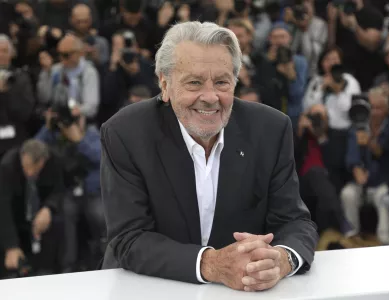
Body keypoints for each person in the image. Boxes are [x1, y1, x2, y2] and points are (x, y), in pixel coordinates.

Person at [100, 21, 318, 292]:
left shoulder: (271, 129)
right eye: (194, 83)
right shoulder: (125, 133)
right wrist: (211, 264)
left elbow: (294, 221)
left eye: (222, 82)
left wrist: (281, 261)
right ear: (165, 86)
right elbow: (128, 238)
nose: (210, 97)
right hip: (143, 287)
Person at [35, 105, 105, 272]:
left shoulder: (93, 133)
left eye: (76, 118)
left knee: (98, 216)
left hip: (94, 192)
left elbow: (100, 157)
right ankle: (68, 266)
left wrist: (79, 140)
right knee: (67, 214)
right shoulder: (56, 137)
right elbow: (33, 149)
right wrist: (48, 127)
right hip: (69, 191)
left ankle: (103, 259)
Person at [341, 88, 389, 245]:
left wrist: (371, 144)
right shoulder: (358, 125)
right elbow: (351, 155)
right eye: (371, 107)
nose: (374, 112)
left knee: (384, 198)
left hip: (384, 182)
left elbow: (388, 152)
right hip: (361, 182)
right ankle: (351, 238)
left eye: (379, 108)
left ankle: (386, 241)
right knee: (348, 194)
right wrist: (355, 167)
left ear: (386, 110)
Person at [0, 139, 64, 278]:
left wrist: (49, 208)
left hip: (42, 211)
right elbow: (3, 207)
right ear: (22, 156)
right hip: (16, 214)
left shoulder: (54, 161)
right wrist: (11, 246)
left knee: (60, 221)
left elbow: (59, 190)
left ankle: (51, 270)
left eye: (34, 167)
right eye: (26, 166)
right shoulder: (7, 166)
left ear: (43, 161)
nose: (29, 172)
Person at [295, 104, 350, 234]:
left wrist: (321, 137)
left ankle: (327, 234)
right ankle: (343, 226)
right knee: (315, 173)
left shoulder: (335, 136)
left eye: (320, 117)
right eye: (313, 116)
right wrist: (299, 132)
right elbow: (289, 161)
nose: (316, 120)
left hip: (328, 182)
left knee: (319, 181)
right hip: (302, 184)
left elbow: (337, 163)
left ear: (327, 119)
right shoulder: (298, 136)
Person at [37, 34, 100, 122]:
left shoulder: (89, 72)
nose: (62, 59)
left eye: (66, 55)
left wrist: (76, 111)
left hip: (82, 122)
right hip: (56, 120)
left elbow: (92, 107)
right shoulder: (55, 70)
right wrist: (46, 72)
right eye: (60, 54)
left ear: (79, 53)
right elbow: (44, 98)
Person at [327, 0, 384, 91]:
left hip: (365, 69)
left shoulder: (372, 14)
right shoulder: (339, 11)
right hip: (342, 68)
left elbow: (371, 45)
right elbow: (330, 46)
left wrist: (354, 27)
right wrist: (332, 21)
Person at [302, 46, 361, 130]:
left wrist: (337, 90)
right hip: (319, 128)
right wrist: (320, 90)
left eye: (334, 59)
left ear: (340, 62)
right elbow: (306, 106)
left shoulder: (350, 80)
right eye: (327, 59)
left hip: (343, 128)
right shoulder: (316, 80)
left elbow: (348, 110)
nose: (331, 63)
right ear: (322, 63)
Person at [265, 22, 308, 127]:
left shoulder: (299, 61)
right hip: (269, 112)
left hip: (293, 113)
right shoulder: (263, 60)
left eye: (282, 37)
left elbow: (297, 95)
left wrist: (291, 76)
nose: (279, 41)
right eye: (275, 37)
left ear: (290, 38)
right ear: (269, 39)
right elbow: (263, 91)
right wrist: (268, 64)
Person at [0, 34, 35, 162]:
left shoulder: (21, 78)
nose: (1, 55)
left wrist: (5, 93)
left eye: (4, 51)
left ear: (11, 54)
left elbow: (25, 112)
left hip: (15, 138)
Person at [284, 0, 328, 77]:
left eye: (309, 3)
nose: (305, 7)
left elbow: (313, 55)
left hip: (311, 73)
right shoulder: (293, 23)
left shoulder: (320, 24)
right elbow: (288, 50)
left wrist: (305, 29)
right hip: (290, 69)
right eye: (302, 4)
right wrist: (286, 24)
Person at [69, 4, 109, 68]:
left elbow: (108, 69)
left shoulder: (101, 42)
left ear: (90, 19)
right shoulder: (67, 41)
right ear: (72, 20)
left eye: (85, 21)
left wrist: (97, 58)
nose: (82, 25)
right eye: (78, 21)